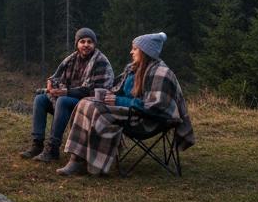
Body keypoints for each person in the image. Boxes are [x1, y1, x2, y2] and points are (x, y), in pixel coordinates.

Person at [56, 31, 195, 177]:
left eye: (135, 49)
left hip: (148, 120)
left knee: (98, 111)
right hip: (131, 112)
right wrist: (111, 95)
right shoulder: (133, 68)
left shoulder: (161, 73)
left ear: (145, 51)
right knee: (85, 102)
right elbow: (119, 90)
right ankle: (77, 159)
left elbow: (154, 106)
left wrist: (118, 101)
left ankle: (94, 164)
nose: (131, 52)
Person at [20, 27, 115, 162]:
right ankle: (37, 144)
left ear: (94, 44)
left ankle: (53, 149)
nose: (86, 45)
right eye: (82, 41)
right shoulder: (71, 59)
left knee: (63, 101)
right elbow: (55, 77)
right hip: (72, 99)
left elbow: (95, 91)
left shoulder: (100, 62)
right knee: (40, 99)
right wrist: (50, 84)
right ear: (77, 44)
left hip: (90, 103)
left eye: (90, 42)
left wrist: (66, 92)